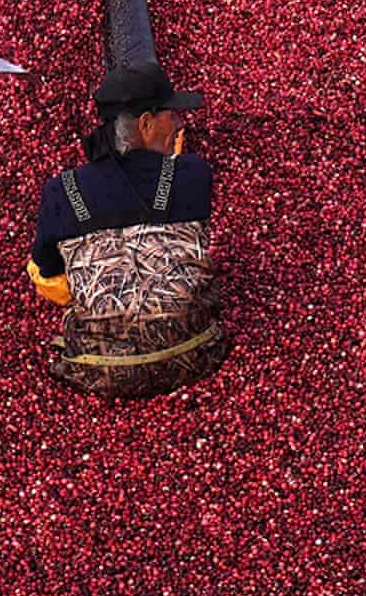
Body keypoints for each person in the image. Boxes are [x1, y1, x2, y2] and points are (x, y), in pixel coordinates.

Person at [30, 60, 226, 398]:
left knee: (40, 265)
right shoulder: (194, 174)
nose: (179, 124)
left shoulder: (62, 191)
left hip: (98, 369)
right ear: (147, 123)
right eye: (171, 115)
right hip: (194, 357)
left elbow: (51, 280)